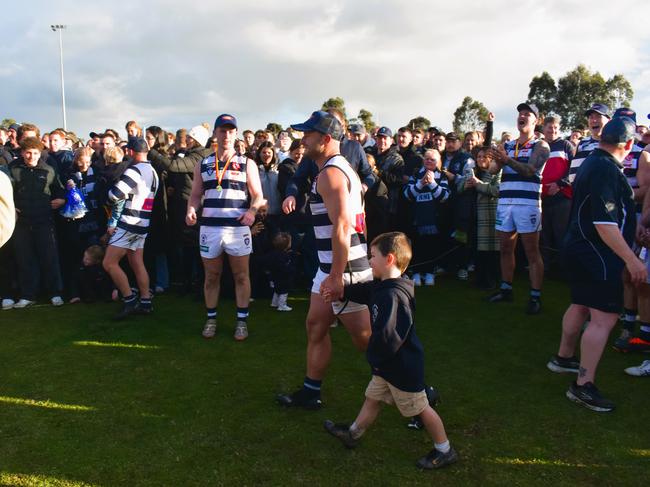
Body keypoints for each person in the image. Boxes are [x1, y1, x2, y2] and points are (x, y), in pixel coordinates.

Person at [322, 232, 458, 470]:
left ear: (390, 259)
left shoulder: (393, 296)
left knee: (421, 409)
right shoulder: (384, 286)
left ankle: (444, 449)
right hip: (388, 366)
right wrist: (341, 290)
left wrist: (375, 358)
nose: (369, 260)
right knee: (373, 398)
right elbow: (365, 292)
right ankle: (353, 434)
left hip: (401, 367)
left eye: (373, 256)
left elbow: (389, 337)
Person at [547, 116, 645, 412]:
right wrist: (632, 260)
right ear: (627, 145)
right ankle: (582, 385)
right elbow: (604, 222)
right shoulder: (606, 169)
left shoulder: (591, 161)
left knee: (579, 304)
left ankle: (564, 358)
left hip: (578, 247)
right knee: (604, 318)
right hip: (596, 253)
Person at [277, 111, 372, 409]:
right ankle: (310, 391)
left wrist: (337, 276)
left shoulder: (331, 173)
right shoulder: (334, 168)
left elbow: (343, 226)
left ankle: (418, 396)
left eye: (308, 134)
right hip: (329, 267)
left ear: (326, 139)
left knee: (368, 341)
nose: (302, 139)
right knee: (316, 325)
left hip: (343, 271)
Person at [186, 114, 265, 341]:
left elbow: (258, 195)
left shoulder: (247, 163)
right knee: (211, 276)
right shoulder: (203, 164)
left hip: (237, 228)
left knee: (241, 276)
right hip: (209, 228)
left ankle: (242, 321)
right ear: (215, 134)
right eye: (223, 131)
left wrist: (251, 211)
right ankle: (211, 318)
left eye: (231, 131)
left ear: (236, 134)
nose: (227, 135)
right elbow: (195, 195)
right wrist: (191, 209)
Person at [488, 103, 550, 314]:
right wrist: (497, 158)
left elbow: (529, 170)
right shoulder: (509, 144)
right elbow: (492, 169)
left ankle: (535, 297)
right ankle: (506, 289)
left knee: (532, 252)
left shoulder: (541, 145)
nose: (522, 116)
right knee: (505, 248)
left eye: (527, 114)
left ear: (536, 120)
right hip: (506, 203)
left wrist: (507, 160)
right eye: (520, 114)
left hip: (528, 204)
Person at [102, 137, 159, 320]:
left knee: (109, 263)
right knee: (137, 263)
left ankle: (129, 299)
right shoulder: (153, 170)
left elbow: (114, 195)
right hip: (143, 223)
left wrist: (110, 194)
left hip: (129, 222)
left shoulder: (135, 170)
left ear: (130, 152)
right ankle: (145, 302)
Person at [8, 137, 66, 308]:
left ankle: (55, 293)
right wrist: (12, 208)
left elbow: (60, 189)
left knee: (50, 258)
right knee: (24, 259)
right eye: (28, 152)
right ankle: (28, 295)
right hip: (21, 223)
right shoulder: (13, 169)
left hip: (44, 220)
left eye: (35, 153)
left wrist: (61, 200)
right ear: (22, 152)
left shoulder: (49, 170)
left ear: (40, 153)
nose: (31, 156)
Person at [402, 149, 450, 286]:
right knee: (417, 247)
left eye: (432, 159)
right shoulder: (416, 174)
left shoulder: (442, 176)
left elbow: (445, 197)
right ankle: (416, 273)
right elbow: (407, 195)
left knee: (432, 247)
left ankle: (429, 273)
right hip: (417, 219)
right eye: (427, 158)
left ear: (438, 161)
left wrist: (433, 183)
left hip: (435, 220)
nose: (429, 161)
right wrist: (421, 183)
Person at [539, 114, 575, 270]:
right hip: (542, 198)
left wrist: (560, 184)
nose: (552, 130)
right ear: (544, 129)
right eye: (549, 127)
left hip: (562, 198)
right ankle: (545, 267)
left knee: (562, 234)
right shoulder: (538, 146)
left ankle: (564, 268)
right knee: (544, 236)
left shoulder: (566, 145)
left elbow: (574, 168)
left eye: (555, 127)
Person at [267, 232, 295, 312]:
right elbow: (285, 267)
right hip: (283, 277)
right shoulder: (284, 256)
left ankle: (274, 302)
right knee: (284, 291)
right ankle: (282, 305)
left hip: (274, 276)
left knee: (277, 290)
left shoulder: (273, 254)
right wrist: (291, 270)